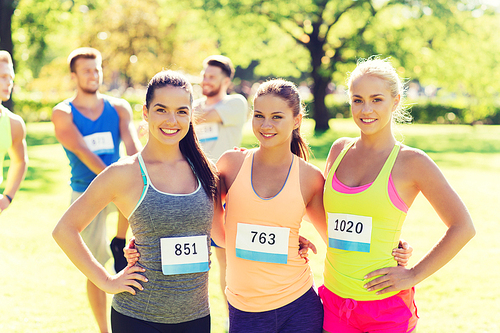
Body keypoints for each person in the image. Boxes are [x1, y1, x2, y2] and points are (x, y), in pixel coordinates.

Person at [124, 78, 412, 332]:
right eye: (259, 116)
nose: (266, 125)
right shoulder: (231, 164)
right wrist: (150, 239)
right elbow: (207, 221)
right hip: (244, 310)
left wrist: (393, 249)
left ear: (296, 120)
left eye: (277, 117)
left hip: (299, 304)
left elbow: (337, 236)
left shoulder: (310, 179)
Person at [53, 70, 221, 332]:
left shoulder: (204, 168)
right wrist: (107, 280)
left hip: (197, 317)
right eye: (161, 110)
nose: (172, 120)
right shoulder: (124, 173)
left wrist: (293, 241)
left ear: (191, 114)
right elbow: (64, 230)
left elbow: (222, 231)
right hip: (138, 317)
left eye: (181, 111)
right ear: (145, 112)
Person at [319, 57, 475, 333]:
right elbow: (332, 219)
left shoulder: (412, 162)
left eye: (376, 99)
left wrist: (413, 274)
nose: (365, 109)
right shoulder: (338, 149)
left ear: (396, 101)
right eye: (357, 100)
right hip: (334, 301)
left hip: (385, 309)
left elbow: (463, 227)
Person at [51, 47, 142, 332]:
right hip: (86, 193)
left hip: (121, 189)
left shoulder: (118, 107)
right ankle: (105, 330)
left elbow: (132, 149)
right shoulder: (63, 113)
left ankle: (119, 240)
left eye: (97, 68)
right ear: (74, 76)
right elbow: (83, 153)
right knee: (95, 267)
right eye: (87, 70)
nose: (94, 75)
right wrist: (118, 179)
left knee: (137, 225)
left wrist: (142, 172)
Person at [193, 55, 248, 328]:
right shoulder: (191, 107)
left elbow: (204, 115)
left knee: (228, 262)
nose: (206, 80)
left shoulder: (235, 103)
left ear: (226, 81)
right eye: (204, 75)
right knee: (195, 261)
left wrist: (169, 112)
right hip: (192, 191)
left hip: (225, 192)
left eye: (212, 77)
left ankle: (232, 322)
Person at [0, 51, 28, 214]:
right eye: (3, 77)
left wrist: (7, 197)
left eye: (11, 77)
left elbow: (20, 161)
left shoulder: (14, 123)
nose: (9, 82)